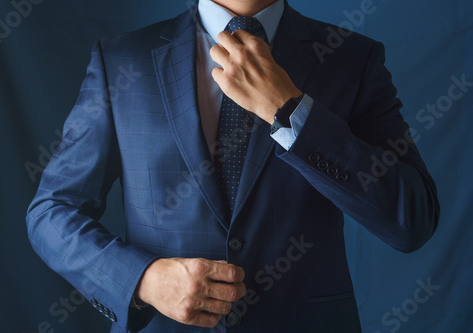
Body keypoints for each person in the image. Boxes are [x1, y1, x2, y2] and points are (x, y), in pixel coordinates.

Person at [26, 0, 440, 332]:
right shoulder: (121, 61)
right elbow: (51, 212)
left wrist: (291, 111)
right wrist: (143, 279)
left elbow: (412, 219)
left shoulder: (353, 59)